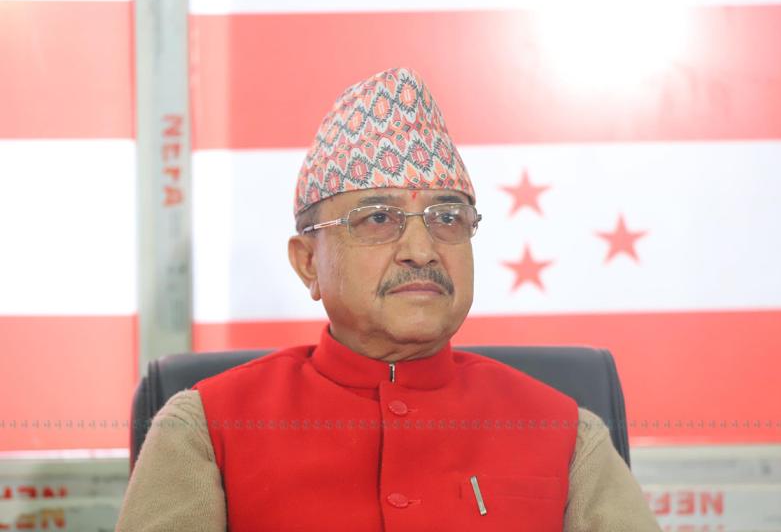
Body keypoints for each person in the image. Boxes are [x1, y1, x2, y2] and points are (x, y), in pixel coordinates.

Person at [117, 68, 660, 531]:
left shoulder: (566, 433)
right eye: (378, 218)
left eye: (448, 218)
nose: (421, 250)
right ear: (308, 263)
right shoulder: (203, 428)